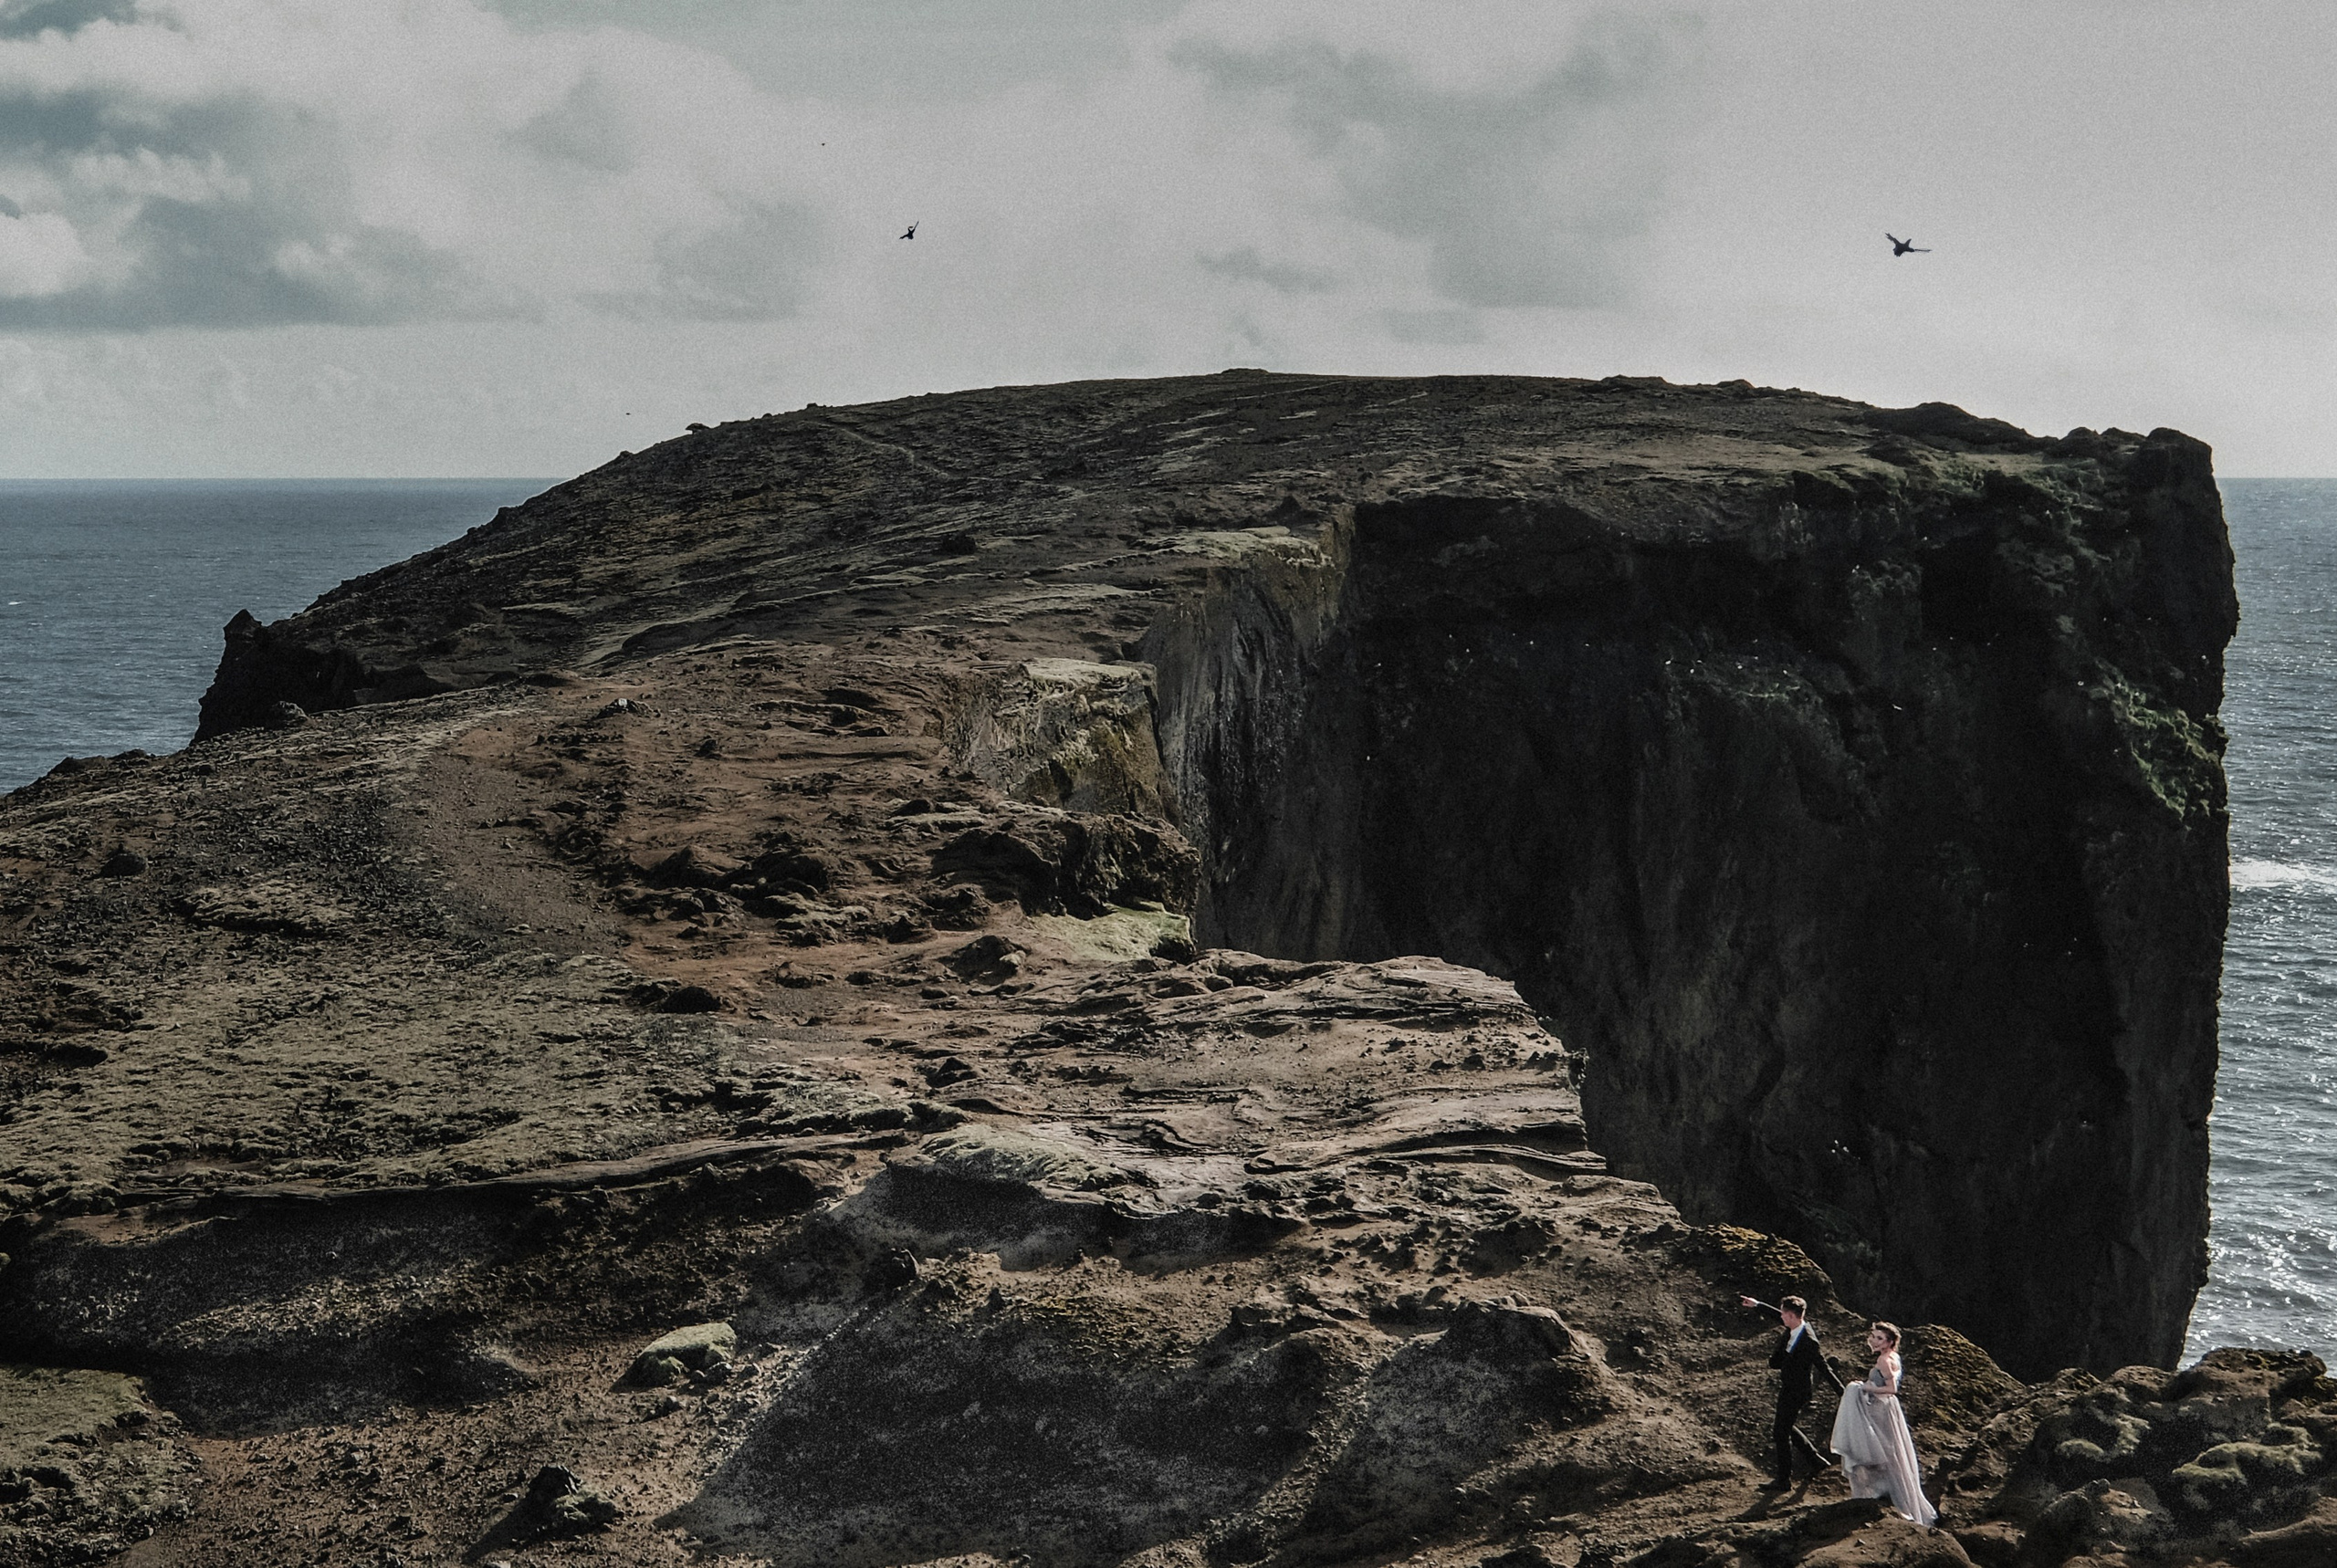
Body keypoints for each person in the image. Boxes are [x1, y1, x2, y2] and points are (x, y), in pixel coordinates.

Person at [1828, 1321, 1937, 1526]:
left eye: (1880, 1338)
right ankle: (1890, 1491)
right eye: (1874, 1336)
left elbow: (1892, 1388)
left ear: (1890, 1342)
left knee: (1882, 1449)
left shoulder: (1884, 1361)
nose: (1875, 1341)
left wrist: (1866, 1388)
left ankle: (1883, 1492)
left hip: (1882, 1408)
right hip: (1887, 1408)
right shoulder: (1893, 1357)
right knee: (1891, 1450)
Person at [1740, 1292, 1829, 1490]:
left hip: (1797, 1391)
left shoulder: (1808, 1341)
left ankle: (1784, 1480)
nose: (1780, 1316)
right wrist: (1757, 1305)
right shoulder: (1796, 1325)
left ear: (1791, 1315)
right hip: (1790, 1387)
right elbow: (1776, 1315)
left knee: (1780, 1432)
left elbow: (1822, 1366)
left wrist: (1843, 1391)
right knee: (1785, 1427)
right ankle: (1814, 1460)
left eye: (1783, 1314)